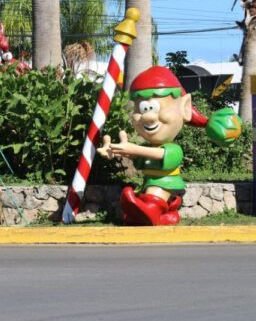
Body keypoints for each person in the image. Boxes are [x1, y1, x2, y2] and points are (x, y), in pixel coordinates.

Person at [97, 66, 241, 226]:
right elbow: (142, 158)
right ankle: (164, 215)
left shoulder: (173, 149)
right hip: (148, 182)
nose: (148, 117)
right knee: (144, 197)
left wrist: (133, 149)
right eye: (142, 109)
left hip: (164, 183)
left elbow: (160, 155)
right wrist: (120, 151)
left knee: (154, 196)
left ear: (185, 108)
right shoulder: (147, 147)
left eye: (153, 108)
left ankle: (151, 211)